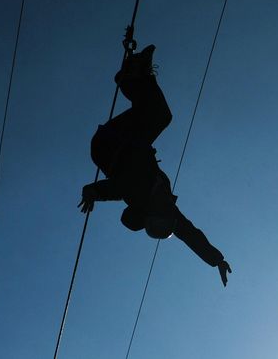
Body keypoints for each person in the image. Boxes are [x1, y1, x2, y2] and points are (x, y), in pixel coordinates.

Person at [79, 44, 232, 285]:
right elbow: (191, 236)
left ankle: (132, 76)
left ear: (153, 212)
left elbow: (114, 189)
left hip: (109, 146)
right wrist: (217, 260)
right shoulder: (169, 212)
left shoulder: (138, 193)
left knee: (157, 115)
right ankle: (136, 75)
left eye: (162, 210)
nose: (167, 206)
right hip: (128, 144)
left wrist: (92, 192)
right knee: (158, 114)